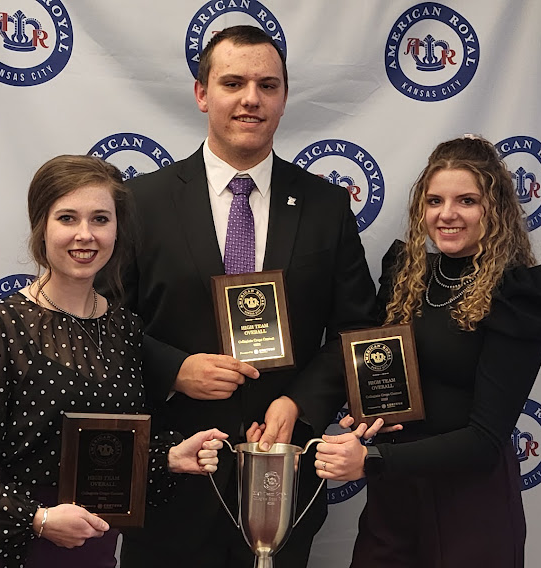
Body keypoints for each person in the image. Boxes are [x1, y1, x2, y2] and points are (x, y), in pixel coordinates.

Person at [121, 25, 377, 568]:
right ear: (201, 93)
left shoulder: (326, 205)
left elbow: (359, 332)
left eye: (268, 85)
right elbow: (102, 325)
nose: (250, 99)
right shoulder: (140, 202)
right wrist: (174, 369)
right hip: (171, 479)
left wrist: (300, 403)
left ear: (284, 98)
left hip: (282, 478)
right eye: (233, 82)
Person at [0, 155, 228, 568]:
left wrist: (168, 457)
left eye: (101, 219)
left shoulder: (125, 329)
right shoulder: (0, 328)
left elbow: (115, 445)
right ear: (42, 227)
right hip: (20, 552)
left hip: (97, 550)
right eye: (68, 218)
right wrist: (38, 519)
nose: (85, 235)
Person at [314, 135, 541, 568]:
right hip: (395, 498)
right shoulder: (407, 275)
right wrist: (365, 408)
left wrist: (371, 459)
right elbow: (379, 368)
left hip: (469, 503)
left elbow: (485, 440)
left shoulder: (516, 295)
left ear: (495, 208)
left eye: (466, 200)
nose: (446, 215)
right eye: (434, 201)